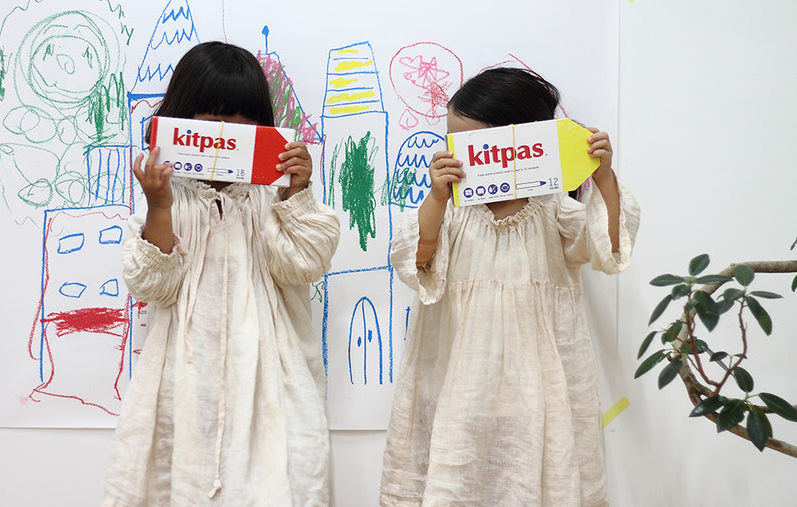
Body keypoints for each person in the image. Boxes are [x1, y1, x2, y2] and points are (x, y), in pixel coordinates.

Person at [380, 67, 640, 506]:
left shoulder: (554, 210)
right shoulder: (453, 213)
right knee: (454, 479)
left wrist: (604, 178)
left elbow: (609, 248)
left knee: (530, 482)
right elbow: (415, 261)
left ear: (518, 145)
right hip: (456, 386)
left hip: (538, 394)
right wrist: (437, 198)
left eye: (473, 146)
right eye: (452, 143)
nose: (460, 157)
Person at [102, 41, 339, 506]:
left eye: (240, 118)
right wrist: (159, 206)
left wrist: (298, 191)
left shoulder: (269, 201)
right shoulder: (169, 201)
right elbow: (153, 285)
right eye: (210, 116)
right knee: (175, 482)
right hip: (181, 380)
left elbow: (304, 264)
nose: (226, 130)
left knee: (277, 481)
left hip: (270, 377)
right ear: (182, 119)